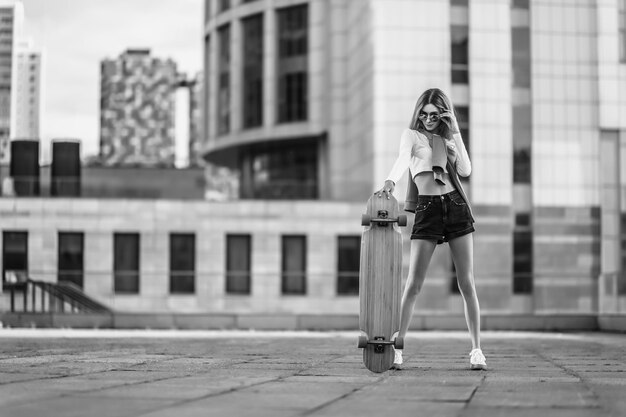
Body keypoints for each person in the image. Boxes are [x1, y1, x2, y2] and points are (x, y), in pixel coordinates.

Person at [377, 88, 486, 371]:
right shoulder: (411, 136)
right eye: (423, 114)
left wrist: (456, 133)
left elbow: (465, 170)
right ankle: (397, 348)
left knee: (467, 283)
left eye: (434, 115)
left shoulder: (448, 138)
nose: (427, 119)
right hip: (427, 209)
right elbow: (403, 159)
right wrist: (390, 181)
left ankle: (476, 350)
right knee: (413, 284)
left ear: (443, 115)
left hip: (455, 205)